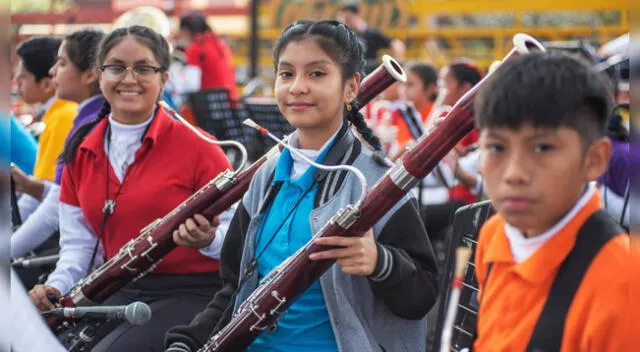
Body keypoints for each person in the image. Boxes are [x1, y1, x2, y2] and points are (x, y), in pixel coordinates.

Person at [165, 20, 438, 352]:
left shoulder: (376, 181)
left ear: (352, 87)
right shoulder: (264, 176)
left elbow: (421, 297)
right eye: (286, 74)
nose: (296, 87)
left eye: (316, 74)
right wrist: (186, 342)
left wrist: (380, 262)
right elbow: (235, 289)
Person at [27, 25, 233, 352]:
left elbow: (239, 239)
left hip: (193, 293)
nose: (128, 78)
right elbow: (79, 247)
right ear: (99, 75)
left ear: (164, 79)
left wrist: (208, 239)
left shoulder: (201, 147)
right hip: (120, 287)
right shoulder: (81, 148)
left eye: (143, 68)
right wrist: (56, 287)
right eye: (116, 67)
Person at [473, 51, 630, 350]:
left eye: (543, 147)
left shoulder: (622, 282)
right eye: (495, 147)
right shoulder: (494, 235)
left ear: (594, 159)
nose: (514, 174)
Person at [11, 29, 106, 261]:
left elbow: (53, 207)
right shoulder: (73, 117)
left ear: (90, 74)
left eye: (61, 64)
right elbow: (57, 195)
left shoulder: (67, 117)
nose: (54, 72)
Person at [176, 11, 238, 99]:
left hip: (208, 105)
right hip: (230, 104)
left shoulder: (196, 48)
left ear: (186, 31)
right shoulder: (220, 44)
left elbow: (191, 85)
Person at [337, 3, 405, 74]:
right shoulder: (344, 34)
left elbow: (396, 43)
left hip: (367, 72)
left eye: (348, 18)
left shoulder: (371, 33)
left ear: (356, 16)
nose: (345, 21)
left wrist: (397, 62)